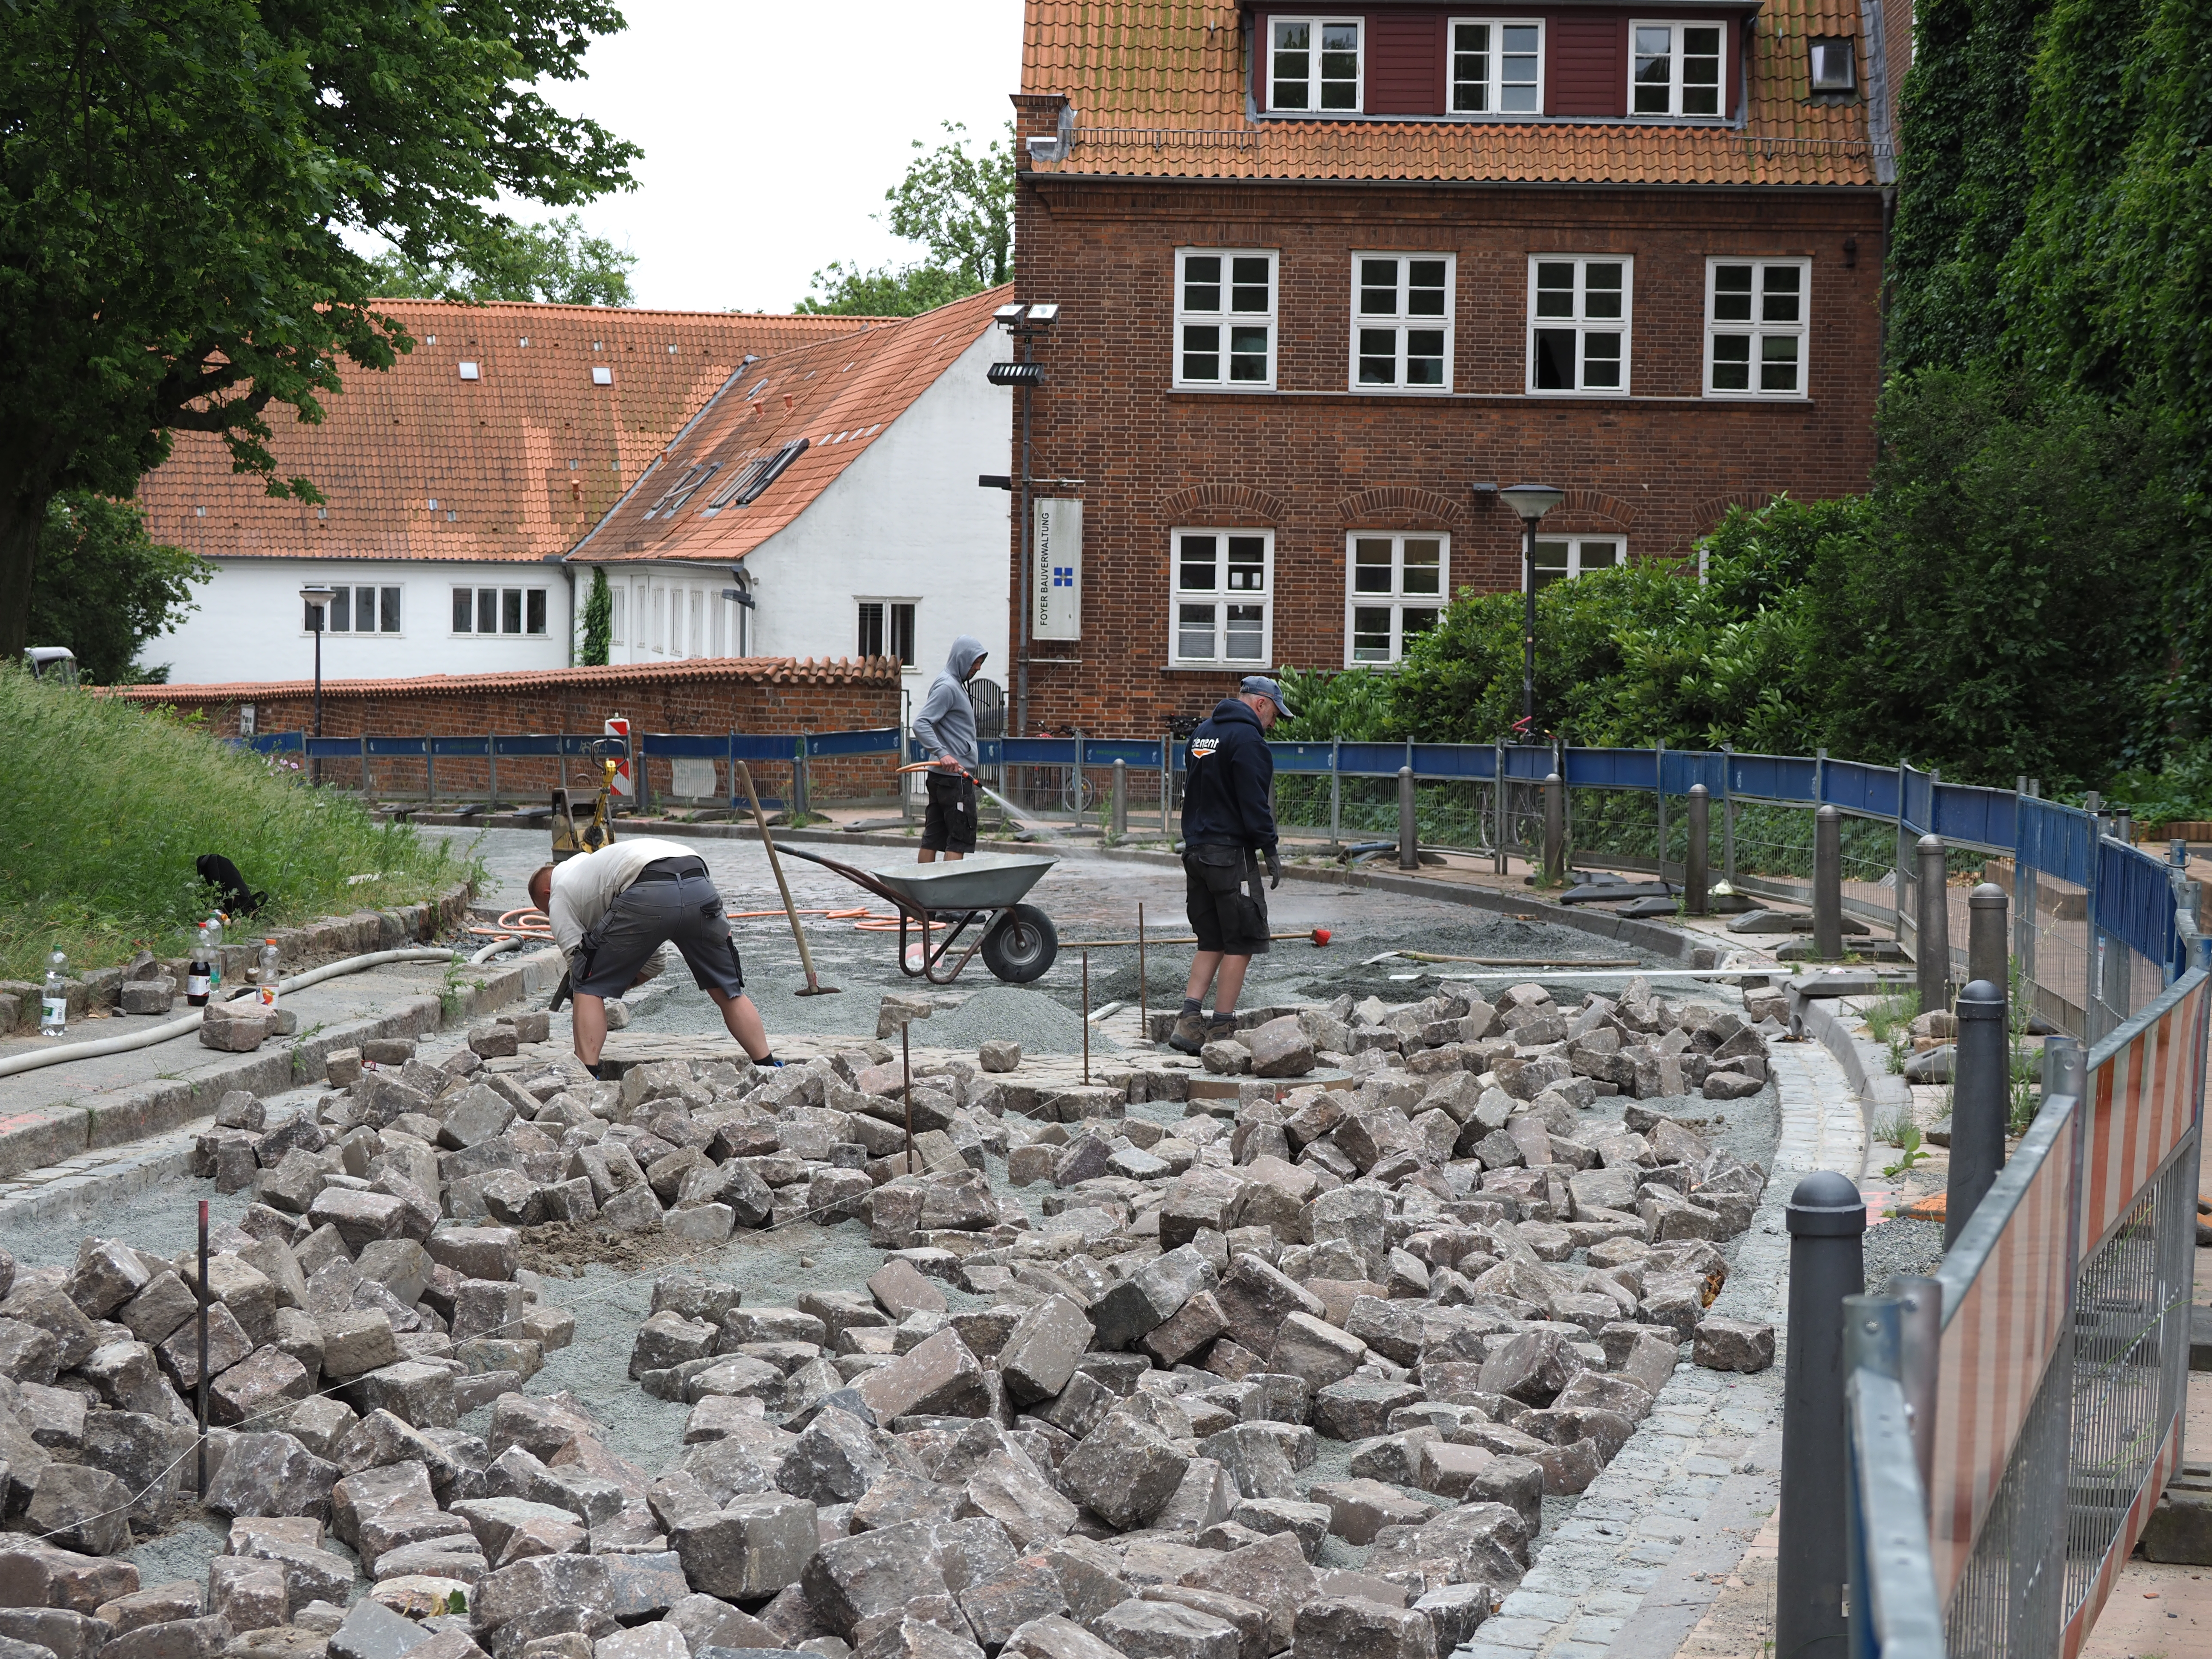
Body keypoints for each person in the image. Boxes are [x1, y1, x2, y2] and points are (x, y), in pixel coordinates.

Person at [528, 839, 779, 1077]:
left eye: (545, 910)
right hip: (697, 878)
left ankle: (586, 1074)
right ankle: (768, 1068)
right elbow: (655, 959)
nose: (550, 915)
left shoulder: (560, 895)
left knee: (587, 983)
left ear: (547, 893)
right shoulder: (594, 868)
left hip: (648, 886)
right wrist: (617, 979)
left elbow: (578, 965)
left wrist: (595, 989)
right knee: (727, 988)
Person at [1170, 675, 1290, 1054]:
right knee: (1242, 939)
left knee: (1213, 938)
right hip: (1229, 855)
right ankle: (1222, 1030)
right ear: (1260, 704)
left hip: (1195, 851)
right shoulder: (1249, 740)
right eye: (1273, 715)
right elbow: (1254, 801)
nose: (1272, 724)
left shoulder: (1202, 734)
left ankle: (1188, 1023)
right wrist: (1269, 847)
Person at [910, 634, 989, 864]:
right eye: (976, 662)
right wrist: (943, 754)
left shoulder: (951, 684)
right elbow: (921, 723)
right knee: (958, 838)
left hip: (943, 779)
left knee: (933, 838)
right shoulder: (948, 687)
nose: (978, 668)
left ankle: (924, 892)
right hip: (954, 780)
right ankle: (948, 895)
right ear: (962, 659)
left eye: (981, 663)